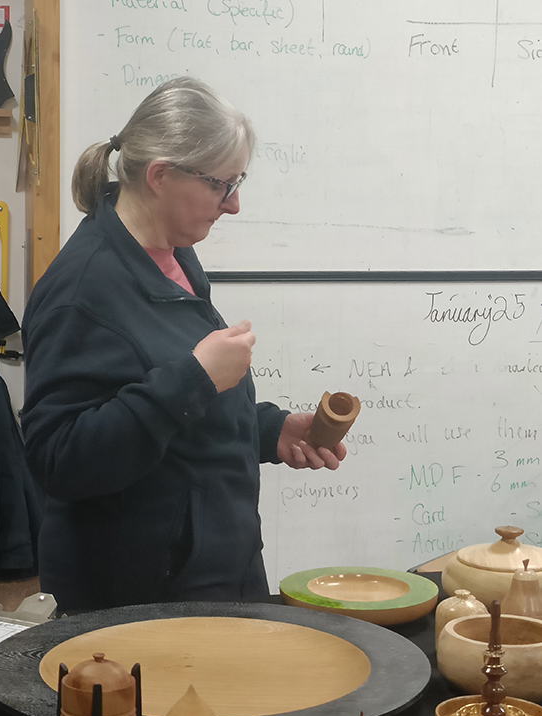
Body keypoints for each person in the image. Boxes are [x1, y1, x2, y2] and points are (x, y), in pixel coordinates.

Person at [21, 77, 346, 611]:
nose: (234, 204)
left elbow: (169, 407)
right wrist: (193, 379)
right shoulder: (80, 293)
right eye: (221, 185)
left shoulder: (172, 255)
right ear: (160, 176)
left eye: (238, 182)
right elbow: (58, 459)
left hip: (215, 574)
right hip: (141, 605)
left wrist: (268, 430)